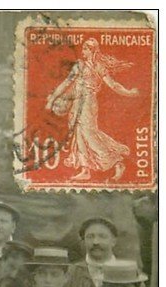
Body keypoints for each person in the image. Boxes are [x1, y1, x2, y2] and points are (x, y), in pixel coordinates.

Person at [45, 37, 140, 182]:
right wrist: (52, 99)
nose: (83, 51)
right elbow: (66, 83)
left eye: (86, 49)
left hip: (89, 104)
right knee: (79, 134)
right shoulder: (79, 65)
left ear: (93, 50)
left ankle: (116, 161)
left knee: (89, 134)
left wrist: (129, 93)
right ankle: (85, 170)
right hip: (77, 103)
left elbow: (113, 85)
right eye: (83, 48)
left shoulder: (99, 67)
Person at [63, 217, 156, 287]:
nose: (96, 242)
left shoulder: (130, 274)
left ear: (113, 241)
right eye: (90, 237)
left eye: (102, 236)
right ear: (83, 242)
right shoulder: (70, 273)